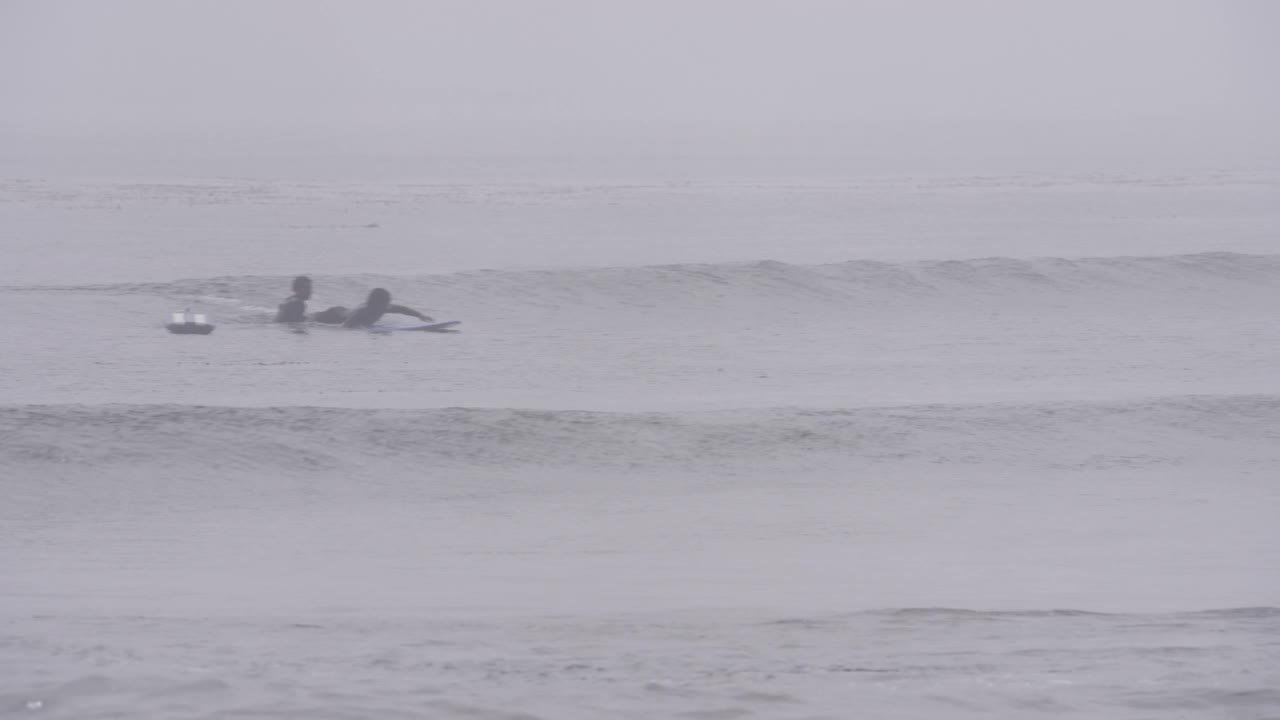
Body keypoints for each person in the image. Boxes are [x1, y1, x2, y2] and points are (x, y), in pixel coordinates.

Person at [312, 288, 434, 328]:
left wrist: (420, 315)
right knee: (312, 318)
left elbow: (402, 309)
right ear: (376, 303)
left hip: (343, 310)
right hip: (334, 315)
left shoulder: (383, 307)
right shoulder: (363, 312)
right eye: (386, 303)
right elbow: (345, 326)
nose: (388, 306)